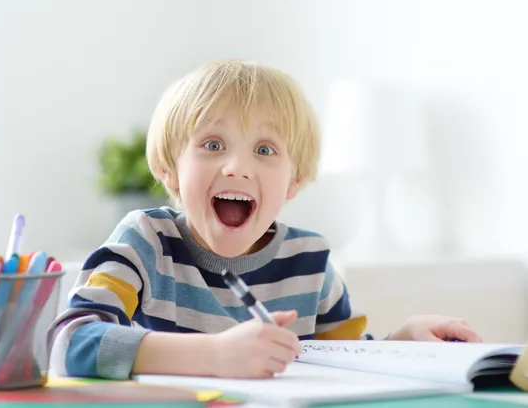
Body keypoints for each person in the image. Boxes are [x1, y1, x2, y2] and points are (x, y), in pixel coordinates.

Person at [48, 59, 482, 380]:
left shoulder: (309, 260)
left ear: (295, 181)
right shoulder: (144, 241)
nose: (238, 166)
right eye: (213, 144)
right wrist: (215, 356)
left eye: (265, 150)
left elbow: (346, 362)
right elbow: (70, 343)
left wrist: (401, 343)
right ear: (168, 170)